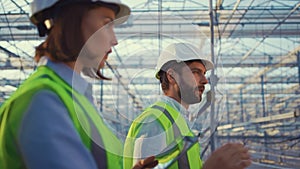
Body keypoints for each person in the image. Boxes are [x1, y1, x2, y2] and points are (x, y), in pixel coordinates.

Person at [0, 0, 158, 169]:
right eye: (106, 24)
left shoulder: (73, 96)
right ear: (72, 20)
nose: (114, 40)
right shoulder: (43, 101)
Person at [124, 43, 252, 169]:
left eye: (204, 73)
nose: (205, 80)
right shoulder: (155, 121)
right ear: (171, 76)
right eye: (196, 72)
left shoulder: (178, 121)